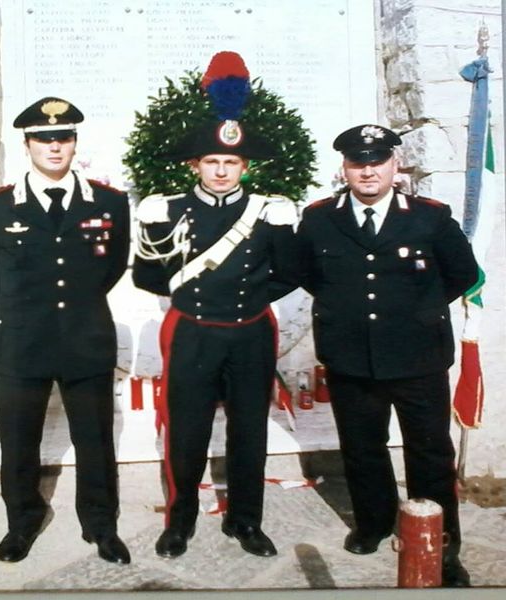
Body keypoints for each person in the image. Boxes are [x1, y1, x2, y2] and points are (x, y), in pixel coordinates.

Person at [132, 51, 299, 559]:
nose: (222, 171)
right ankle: (179, 522)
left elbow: (290, 273)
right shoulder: (169, 209)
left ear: (243, 166)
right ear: (195, 165)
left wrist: (246, 300)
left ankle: (245, 521)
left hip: (249, 331)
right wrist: (155, 225)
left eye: (231, 162)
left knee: (249, 431)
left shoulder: (270, 212)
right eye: (213, 161)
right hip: (194, 331)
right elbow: (146, 276)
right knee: (185, 431)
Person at [297, 124, 478, 587]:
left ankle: (442, 542)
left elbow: (462, 273)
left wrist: (416, 313)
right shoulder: (320, 218)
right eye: (358, 163)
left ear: (395, 165)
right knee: (362, 449)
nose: (368, 171)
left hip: (418, 357)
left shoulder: (430, 217)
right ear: (345, 169)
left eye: (377, 161)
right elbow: (311, 275)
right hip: (350, 357)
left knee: (430, 453)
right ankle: (373, 522)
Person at [0, 97, 131, 565]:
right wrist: (28, 312)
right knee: (19, 441)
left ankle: (100, 524)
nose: (55, 146)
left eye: (64, 137)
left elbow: (111, 267)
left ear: (75, 142)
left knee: (95, 440)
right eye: (44, 138)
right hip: (20, 341)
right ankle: (21, 523)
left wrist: (73, 308)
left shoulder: (110, 203)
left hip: (86, 338)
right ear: (27, 144)